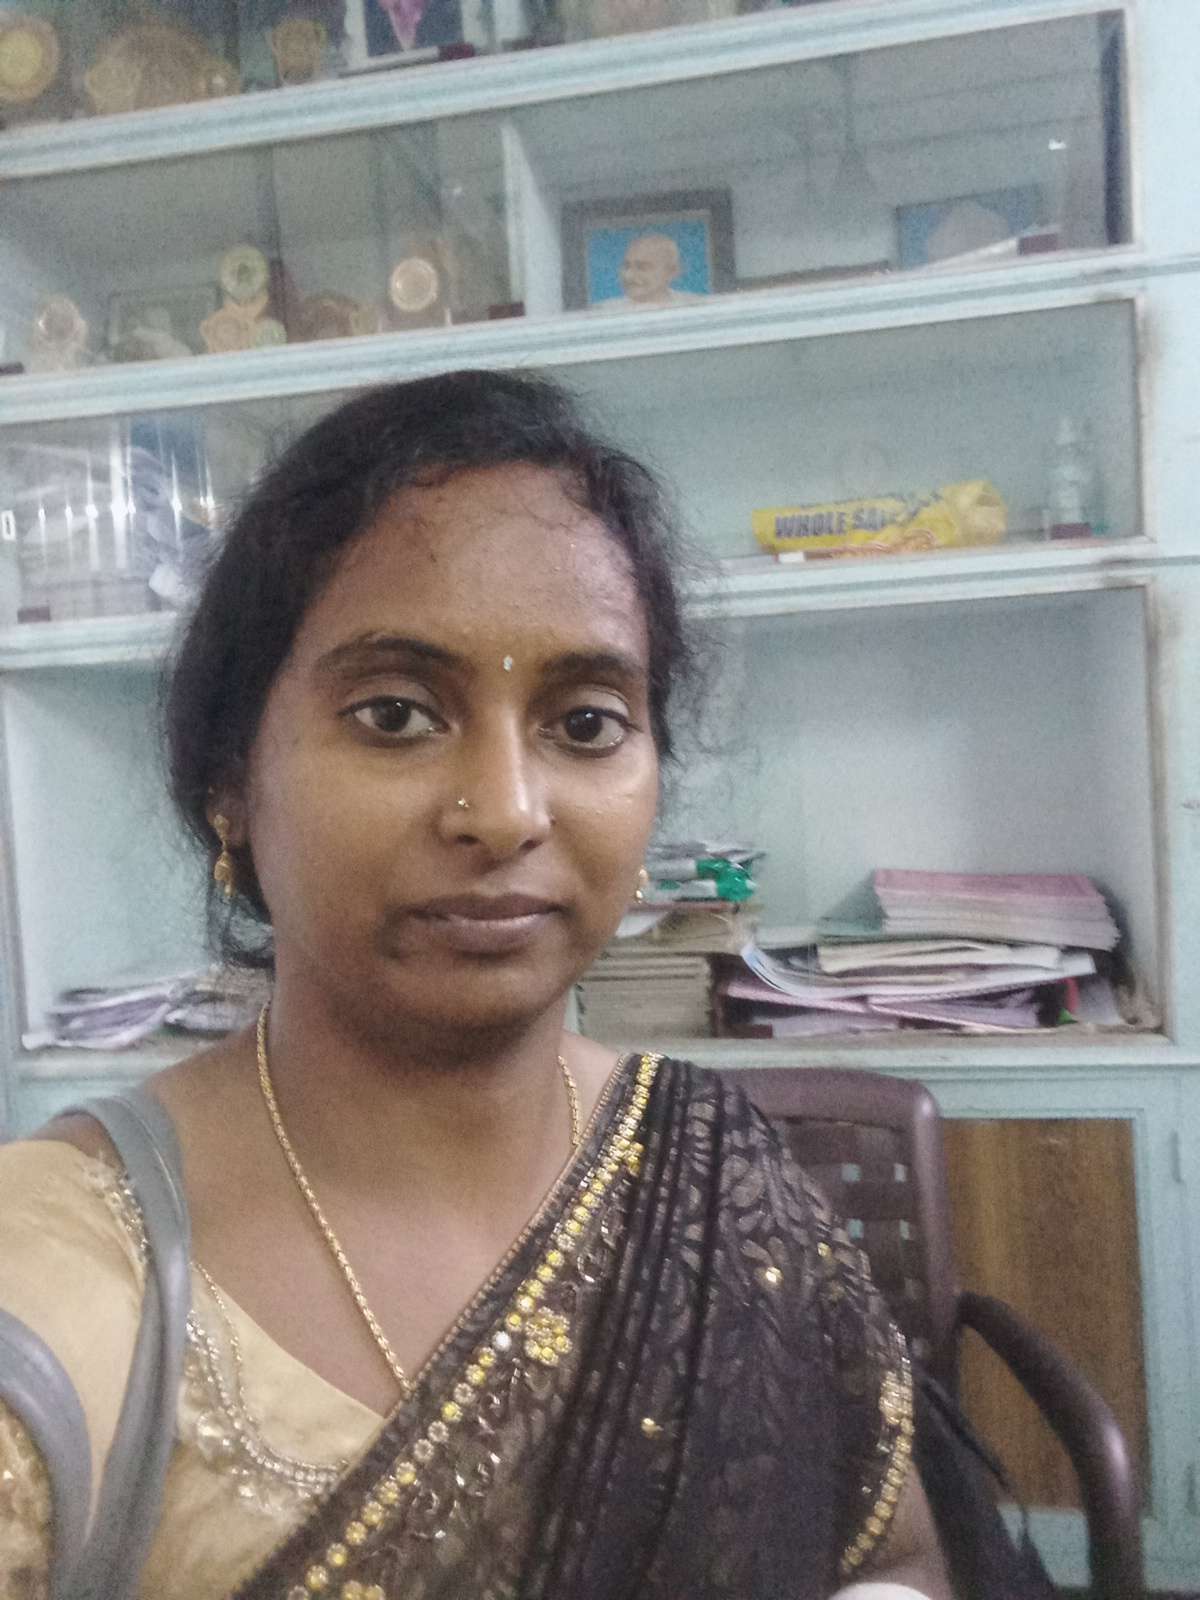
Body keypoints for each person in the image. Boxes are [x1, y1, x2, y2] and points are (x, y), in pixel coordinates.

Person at [0, 370, 950, 1598]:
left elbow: (898, 1550)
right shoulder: (63, 1258)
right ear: (231, 781)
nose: (505, 812)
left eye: (586, 723)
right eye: (396, 715)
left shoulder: (715, 1181)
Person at [596, 231, 710, 309]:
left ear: (672, 272)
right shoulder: (603, 312)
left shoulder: (696, 308)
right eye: (626, 266)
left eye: (642, 267)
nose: (628, 275)